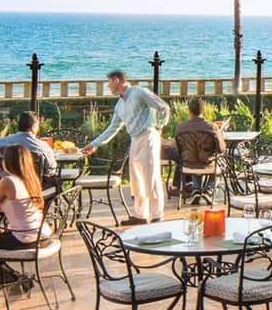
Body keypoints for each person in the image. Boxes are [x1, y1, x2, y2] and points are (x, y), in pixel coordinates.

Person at [83, 70, 172, 225]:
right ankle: (140, 215)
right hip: (135, 139)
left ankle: (157, 215)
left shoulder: (139, 92)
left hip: (148, 136)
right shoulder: (119, 105)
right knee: (137, 178)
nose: (108, 86)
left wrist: (159, 126)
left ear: (117, 81)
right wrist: (94, 144)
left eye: (109, 82)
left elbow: (163, 107)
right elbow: (112, 128)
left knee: (151, 176)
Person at [0, 146, 50, 289]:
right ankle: (13, 280)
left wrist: (1, 203)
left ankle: (15, 281)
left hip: (25, 238)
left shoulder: (8, 181)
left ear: (7, 162)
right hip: (42, 235)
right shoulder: (32, 179)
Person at [170, 96, 227, 193]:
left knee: (194, 157)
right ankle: (209, 189)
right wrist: (221, 136)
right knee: (222, 163)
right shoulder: (212, 127)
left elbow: (178, 149)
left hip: (188, 164)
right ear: (203, 110)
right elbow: (221, 149)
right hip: (207, 164)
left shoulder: (181, 128)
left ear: (189, 111)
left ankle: (196, 190)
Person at [0, 111, 57, 180]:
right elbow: (51, 168)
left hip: (8, 187)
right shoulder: (43, 146)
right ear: (34, 127)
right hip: (35, 189)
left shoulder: (3, 142)